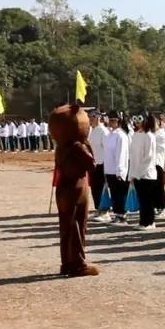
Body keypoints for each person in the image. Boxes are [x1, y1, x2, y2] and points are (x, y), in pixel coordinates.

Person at [49, 104, 100, 276]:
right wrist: (85, 142)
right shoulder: (78, 147)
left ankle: (66, 263)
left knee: (66, 227)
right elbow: (92, 165)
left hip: (63, 189)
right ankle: (78, 263)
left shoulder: (61, 147)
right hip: (76, 190)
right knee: (78, 225)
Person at [129, 114, 159, 230]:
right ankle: (143, 221)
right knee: (142, 199)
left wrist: (139, 172)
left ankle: (149, 222)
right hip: (137, 173)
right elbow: (132, 155)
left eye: (140, 119)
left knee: (147, 200)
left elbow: (148, 157)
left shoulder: (149, 136)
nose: (137, 122)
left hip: (147, 174)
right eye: (135, 119)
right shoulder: (136, 135)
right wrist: (132, 173)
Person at [102, 111, 131, 224]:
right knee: (114, 194)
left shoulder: (121, 135)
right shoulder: (110, 134)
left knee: (120, 193)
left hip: (118, 170)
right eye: (109, 120)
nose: (110, 122)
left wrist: (120, 170)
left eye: (112, 120)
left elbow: (121, 154)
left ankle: (122, 215)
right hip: (110, 169)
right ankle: (117, 214)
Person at [87, 111, 110, 221]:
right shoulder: (93, 130)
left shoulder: (103, 131)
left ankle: (105, 212)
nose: (90, 119)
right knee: (94, 188)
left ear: (98, 118)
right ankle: (98, 210)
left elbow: (107, 149)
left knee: (101, 188)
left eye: (92, 117)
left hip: (102, 163)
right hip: (94, 164)